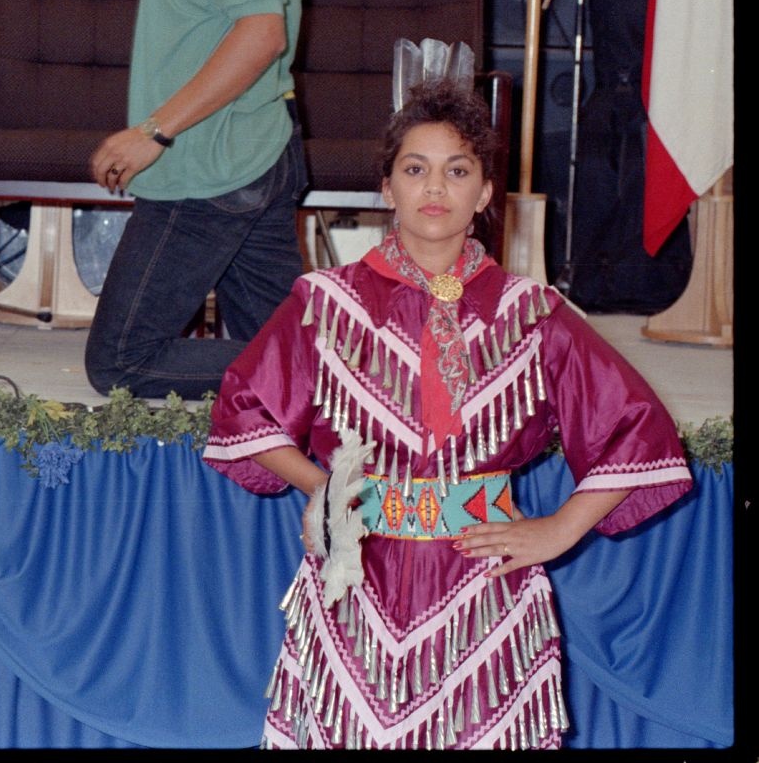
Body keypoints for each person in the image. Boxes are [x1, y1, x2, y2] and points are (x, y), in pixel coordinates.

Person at [201, 80, 693, 749]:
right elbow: (244, 407)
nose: (436, 187)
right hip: (359, 577)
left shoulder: (529, 313)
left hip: (482, 587)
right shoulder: (326, 303)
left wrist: (557, 531)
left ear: (486, 193)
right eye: (415, 169)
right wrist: (324, 487)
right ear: (387, 187)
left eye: (457, 171)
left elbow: (636, 427)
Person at [85, 0, 307, 400]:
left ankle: (324, 377)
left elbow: (262, 32)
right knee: (282, 340)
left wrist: (154, 130)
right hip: (252, 147)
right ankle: (324, 379)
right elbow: (212, 12)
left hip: (209, 167)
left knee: (122, 364)